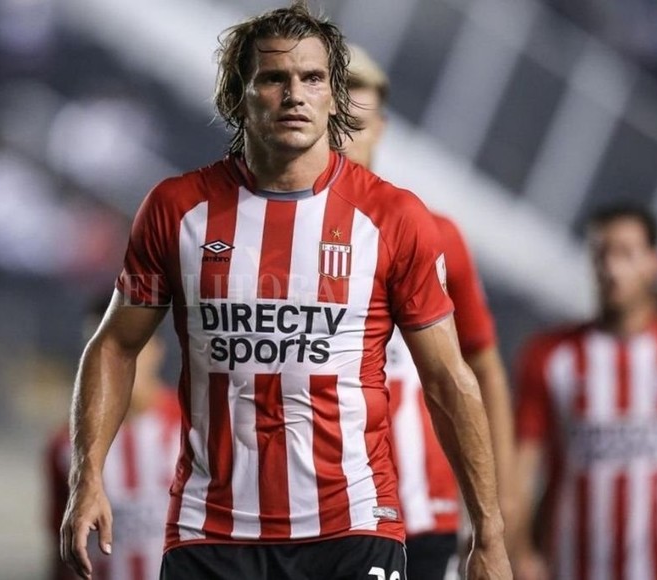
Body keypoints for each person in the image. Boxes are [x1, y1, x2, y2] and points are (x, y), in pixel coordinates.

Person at [60, 4, 511, 579]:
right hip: (212, 530)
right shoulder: (177, 209)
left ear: (335, 96)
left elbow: (449, 379)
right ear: (237, 97)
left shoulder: (394, 217)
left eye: (313, 78)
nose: (295, 95)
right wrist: (87, 475)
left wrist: (489, 533)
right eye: (274, 78)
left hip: (352, 528)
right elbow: (115, 345)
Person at [343, 45, 517, 579]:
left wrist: (501, 502)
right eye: (337, 120)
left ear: (381, 127)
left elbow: (482, 366)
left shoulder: (435, 234)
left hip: (423, 510)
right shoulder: (278, 235)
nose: (345, 135)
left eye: (358, 121)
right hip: (321, 513)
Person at [513, 205, 657, 580]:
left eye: (626, 254)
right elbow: (521, 468)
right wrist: (520, 552)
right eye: (602, 255)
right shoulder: (550, 356)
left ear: (654, 263)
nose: (612, 269)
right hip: (573, 565)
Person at [46, 296, 179, 580]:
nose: (112, 363)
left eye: (128, 346)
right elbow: (61, 551)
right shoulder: (66, 445)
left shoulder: (193, 427)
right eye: (98, 351)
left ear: (157, 349)